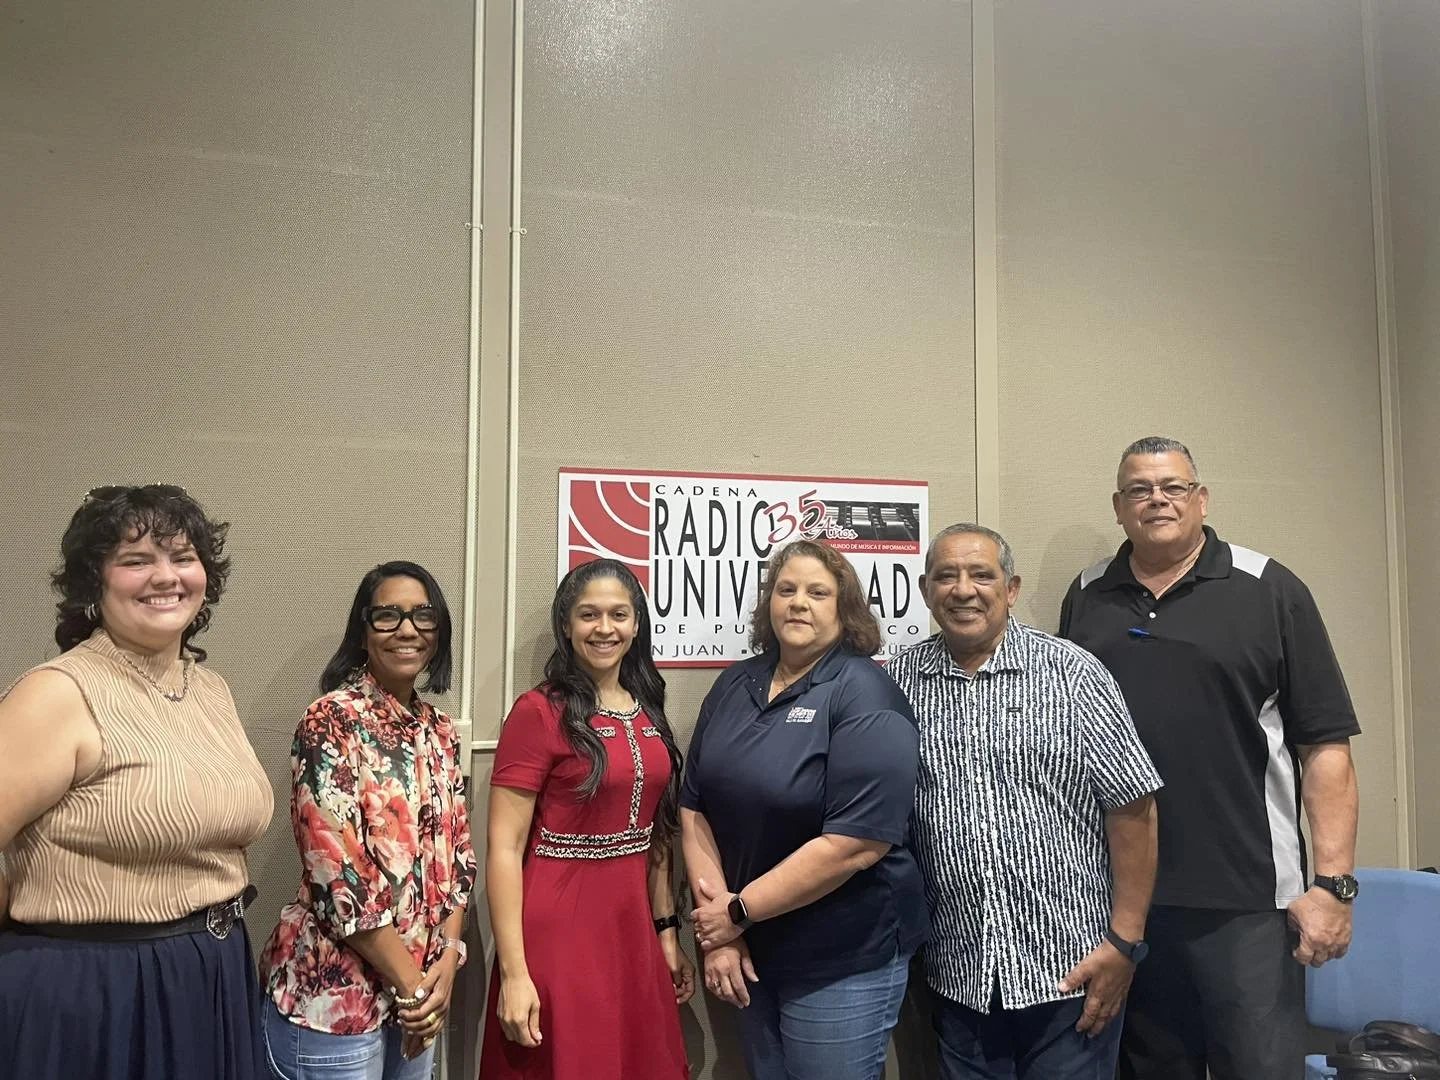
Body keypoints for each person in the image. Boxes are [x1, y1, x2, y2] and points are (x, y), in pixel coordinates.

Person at [1059, 436, 1362, 1080]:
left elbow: (1325, 747)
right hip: (1120, 900)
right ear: (1119, 507)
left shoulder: (1270, 589)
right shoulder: (1087, 595)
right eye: (1140, 489)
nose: (1157, 500)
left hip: (1248, 901)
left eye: (1173, 486)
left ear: (1201, 498)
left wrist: (1332, 887)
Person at [0, 484, 274, 1079]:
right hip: (93, 994)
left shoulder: (211, 689)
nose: (165, 576)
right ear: (93, 583)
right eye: (135, 560)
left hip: (212, 976)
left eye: (182, 556)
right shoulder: (56, 694)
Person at [888, 523, 1162, 1079]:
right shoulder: (896, 683)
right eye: (946, 576)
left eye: (981, 575)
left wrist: (1125, 942)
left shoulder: (1073, 674)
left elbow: (1134, 808)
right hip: (958, 976)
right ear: (925, 590)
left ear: (1010, 589)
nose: (963, 589)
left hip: (1072, 972)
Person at [683, 539, 929, 1080]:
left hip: (841, 955)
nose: (798, 602)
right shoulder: (735, 683)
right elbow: (694, 809)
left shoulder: (866, 693)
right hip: (749, 947)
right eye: (786, 589)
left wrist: (737, 913)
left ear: (844, 610)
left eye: (818, 592)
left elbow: (855, 844)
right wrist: (721, 931)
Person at [259, 560, 476, 1080]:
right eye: (388, 616)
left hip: (419, 993)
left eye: (423, 616)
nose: (407, 629)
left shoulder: (440, 731)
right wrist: (418, 989)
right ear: (362, 630)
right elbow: (341, 881)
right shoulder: (330, 721)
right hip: (337, 998)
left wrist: (447, 957)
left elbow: (458, 857)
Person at [479, 558, 693, 1080]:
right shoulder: (539, 711)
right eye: (588, 615)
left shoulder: (648, 707)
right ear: (567, 624)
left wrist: (667, 934)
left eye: (618, 615)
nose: (604, 628)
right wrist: (514, 973)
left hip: (631, 929)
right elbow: (504, 848)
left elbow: (657, 833)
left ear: (636, 623)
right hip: (558, 931)